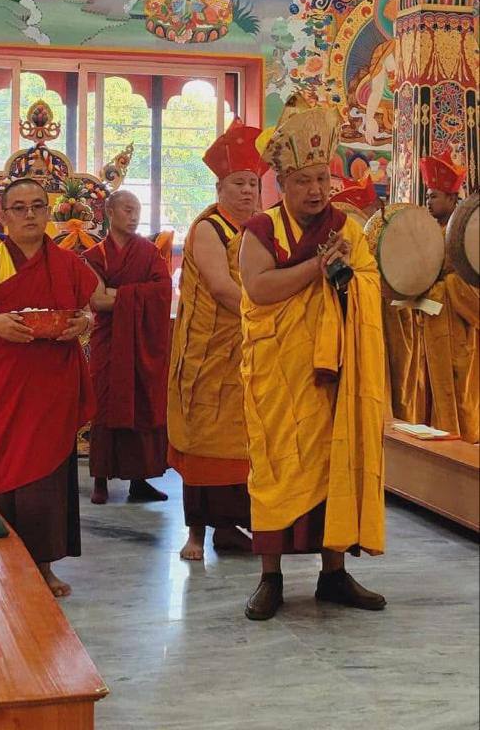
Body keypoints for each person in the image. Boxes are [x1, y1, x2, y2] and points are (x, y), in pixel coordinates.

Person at [239, 93, 386, 620]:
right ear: (284, 184)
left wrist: (351, 283)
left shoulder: (346, 228)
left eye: (323, 179)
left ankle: (334, 574)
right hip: (279, 371)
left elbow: (368, 284)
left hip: (333, 374)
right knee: (277, 468)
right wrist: (316, 271)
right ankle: (270, 578)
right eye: (305, 180)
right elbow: (258, 290)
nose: (318, 190)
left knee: (334, 465)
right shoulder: (262, 230)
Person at [167, 118, 269, 560]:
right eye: (238, 183)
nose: (248, 191)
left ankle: (230, 530)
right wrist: (271, 312)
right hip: (207, 353)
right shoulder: (209, 228)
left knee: (242, 442)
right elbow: (223, 288)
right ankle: (196, 535)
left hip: (247, 351)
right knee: (204, 440)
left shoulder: (260, 229)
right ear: (220, 188)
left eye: (253, 183)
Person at [0, 177, 96, 597]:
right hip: (4, 382)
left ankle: (44, 565)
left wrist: (83, 324)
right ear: (3, 216)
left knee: (48, 476)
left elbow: (88, 309)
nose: (31, 214)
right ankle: (3, 565)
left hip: (52, 384)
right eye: (20, 207)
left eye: (38, 205)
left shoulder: (66, 262)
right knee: (4, 470)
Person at [383, 151, 478, 442]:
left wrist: (441, 288)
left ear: (452, 198)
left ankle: (464, 449)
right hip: (427, 325)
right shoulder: (426, 232)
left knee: (459, 393)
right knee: (425, 393)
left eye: (434, 195)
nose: (428, 201)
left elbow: (470, 286)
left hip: (457, 331)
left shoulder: (467, 236)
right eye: (426, 195)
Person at [84, 190, 172, 504]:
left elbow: (163, 291)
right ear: (109, 212)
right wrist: (132, 294)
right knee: (106, 405)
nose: (133, 216)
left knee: (141, 403)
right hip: (109, 342)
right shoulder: (96, 254)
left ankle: (140, 481)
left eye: (137, 210)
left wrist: (116, 292)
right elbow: (96, 300)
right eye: (126, 209)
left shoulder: (149, 253)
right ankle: (100, 480)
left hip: (141, 341)